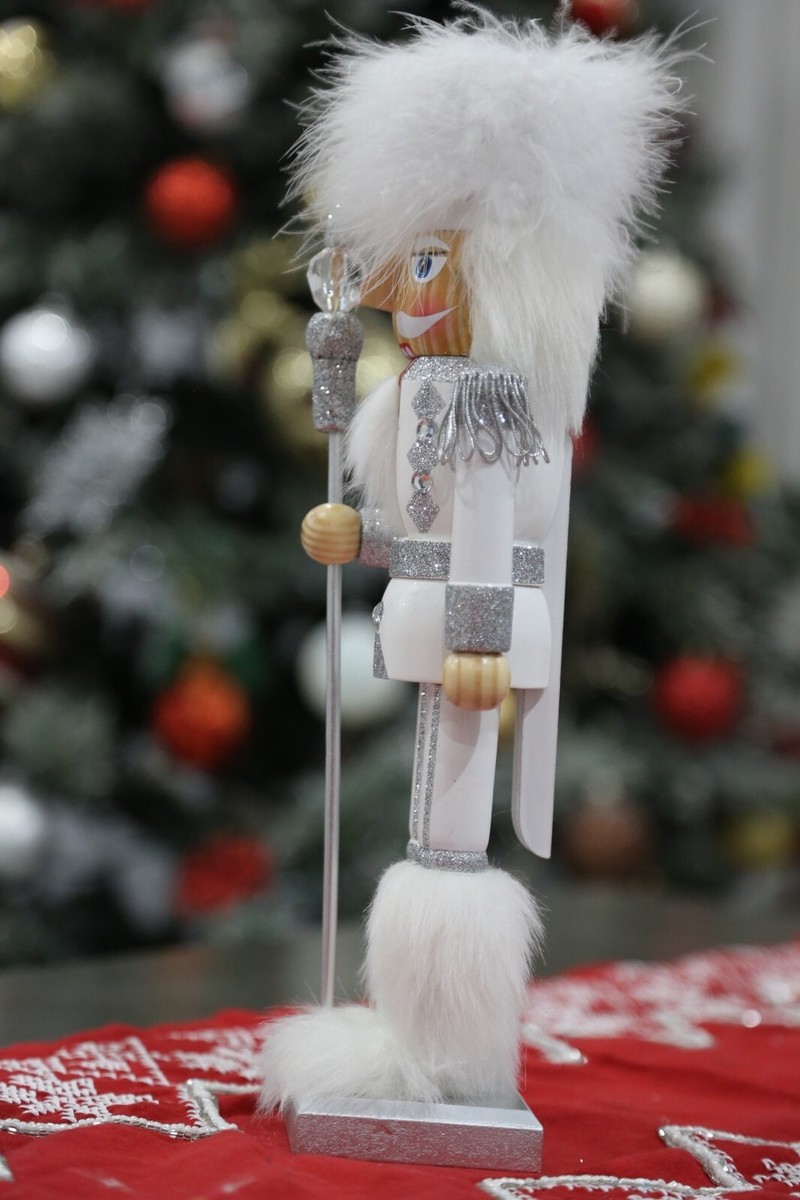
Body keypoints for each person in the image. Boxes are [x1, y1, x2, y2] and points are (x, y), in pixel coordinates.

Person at [259, 5, 685, 1110]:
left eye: (426, 263)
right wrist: (359, 537)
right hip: (446, 619)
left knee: (449, 835)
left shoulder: (488, 397)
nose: (401, 290)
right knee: (429, 824)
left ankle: (445, 1052)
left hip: (473, 634)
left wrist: (483, 639)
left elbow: (491, 528)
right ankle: (420, 1038)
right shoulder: (425, 393)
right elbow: (433, 528)